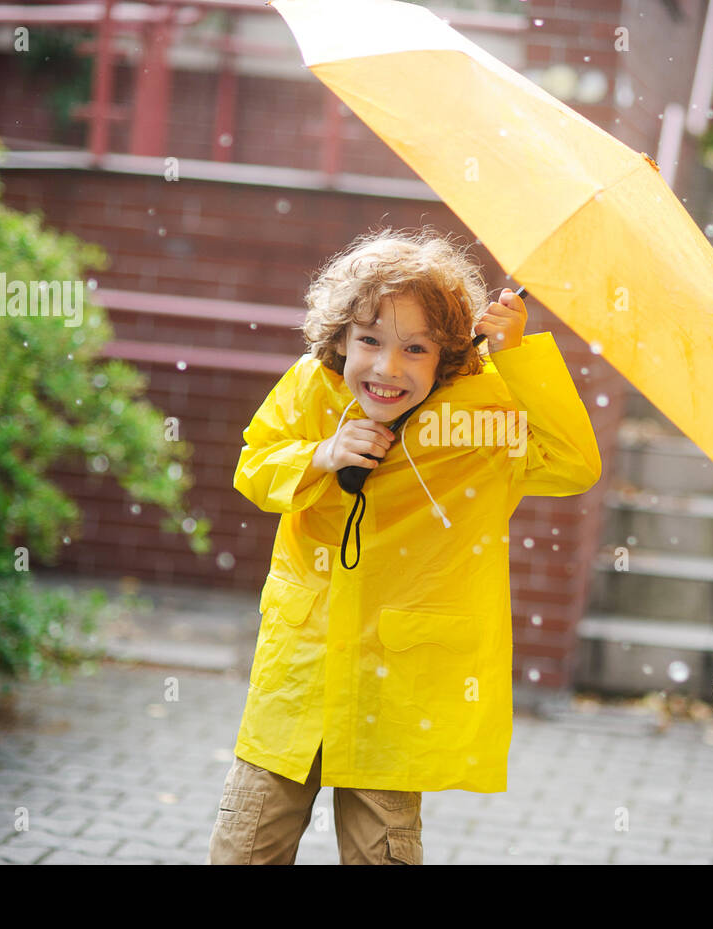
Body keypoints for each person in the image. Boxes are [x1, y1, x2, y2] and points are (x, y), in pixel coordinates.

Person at [206, 225, 601, 864]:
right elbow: (255, 466)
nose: (387, 368)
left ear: (450, 354)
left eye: (416, 349)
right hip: (299, 672)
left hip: (395, 682)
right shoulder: (314, 388)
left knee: (380, 851)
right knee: (247, 843)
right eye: (370, 341)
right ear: (340, 339)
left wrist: (518, 354)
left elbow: (573, 463)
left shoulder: (481, 415)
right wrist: (322, 454)